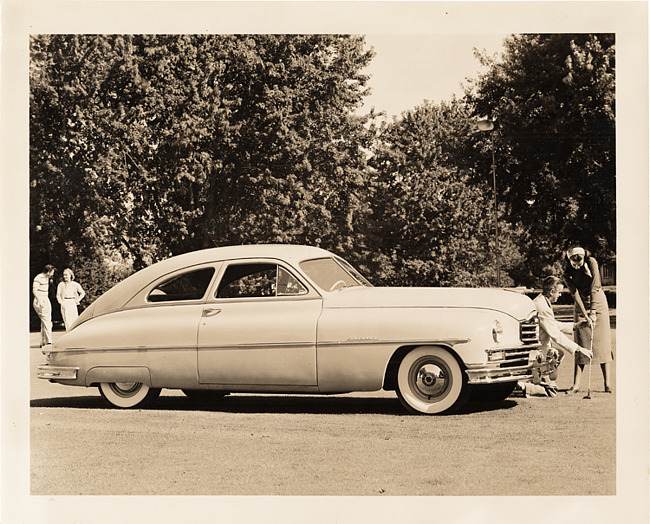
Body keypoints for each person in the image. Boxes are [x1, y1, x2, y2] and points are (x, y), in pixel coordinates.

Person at [517, 275, 593, 397]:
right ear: (552, 291)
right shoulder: (541, 306)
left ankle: (538, 379)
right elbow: (555, 334)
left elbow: (552, 324)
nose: (560, 295)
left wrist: (576, 325)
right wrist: (580, 349)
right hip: (537, 352)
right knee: (551, 391)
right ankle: (524, 386)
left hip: (540, 350)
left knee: (559, 354)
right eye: (559, 292)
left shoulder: (542, 301)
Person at [564, 245, 614, 393]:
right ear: (569, 260)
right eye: (575, 264)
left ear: (584, 257)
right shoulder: (566, 273)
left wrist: (592, 311)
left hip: (598, 302)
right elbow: (574, 294)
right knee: (581, 343)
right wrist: (585, 315)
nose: (578, 266)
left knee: (603, 343)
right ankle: (576, 384)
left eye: (580, 263)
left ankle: (607, 384)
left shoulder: (591, 261)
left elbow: (595, 285)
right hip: (581, 306)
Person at [32, 264, 56, 347]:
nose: (53, 274)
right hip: (40, 299)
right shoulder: (39, 278)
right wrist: (39, 301)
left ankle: (43, 341)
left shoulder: (47, 278)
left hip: (45, 298)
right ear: (48, 271)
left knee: (45, 321)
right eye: (52, 272)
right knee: (46, 320)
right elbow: (34, 290)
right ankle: (49, 341)